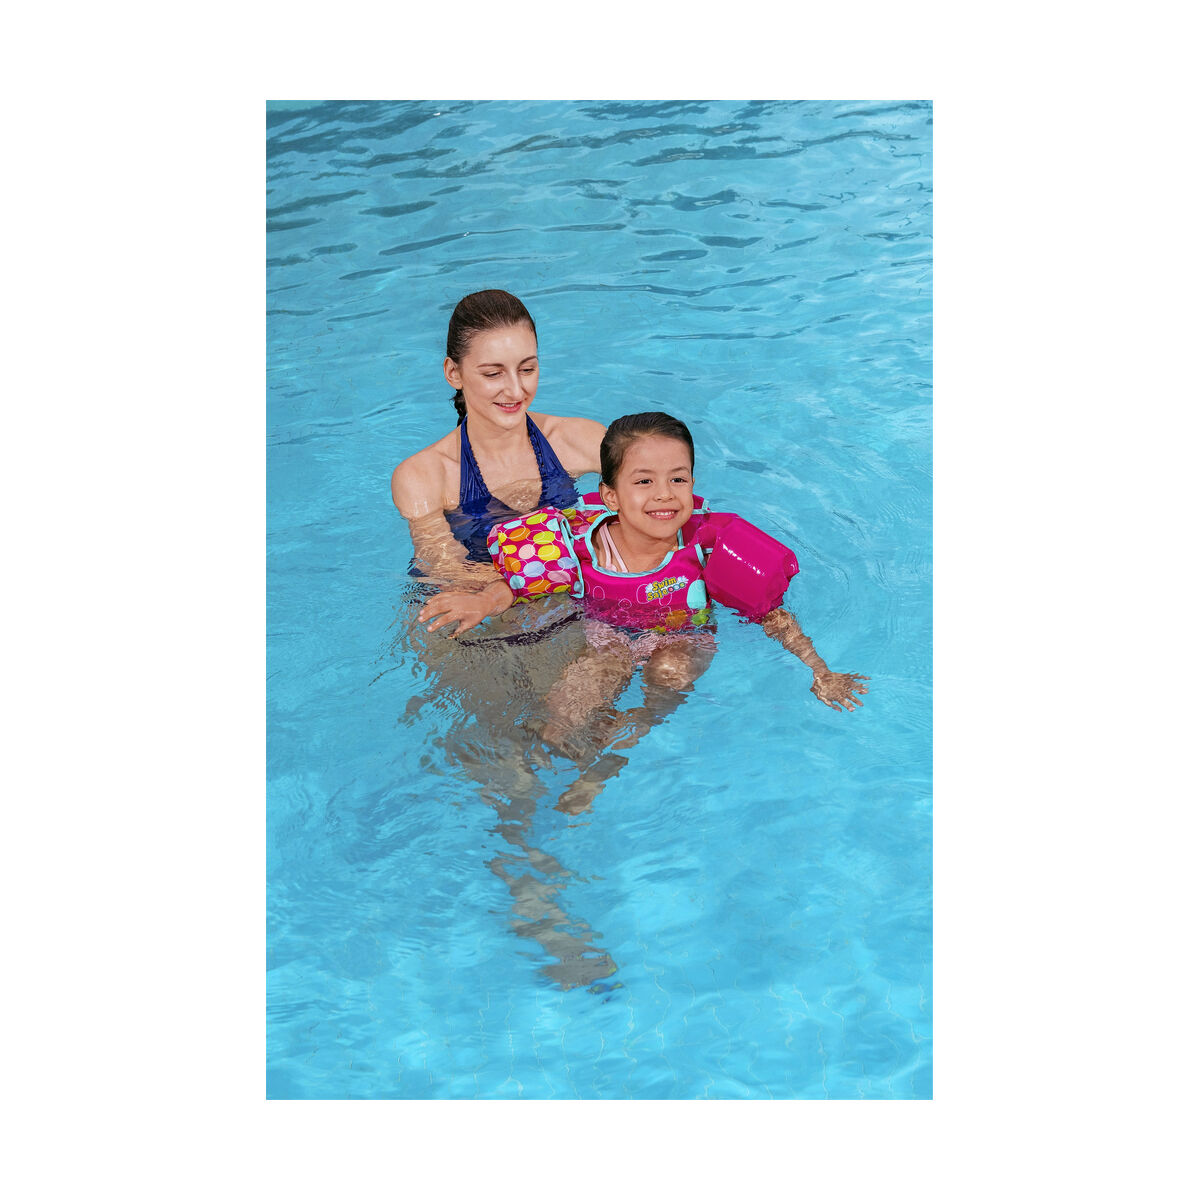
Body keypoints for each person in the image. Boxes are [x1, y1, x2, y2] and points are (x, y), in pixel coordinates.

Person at [419, 412, 870, 755]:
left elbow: (770, 614)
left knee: (668, 673)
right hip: (606, 636)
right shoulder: (580, 544)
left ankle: (638, 724)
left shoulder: (706, 547)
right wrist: (484, 602)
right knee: (563, 715)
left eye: (678, 479)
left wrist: (820, 670)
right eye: (644, 481)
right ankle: (561, 761)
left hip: (684, 637)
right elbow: (524, 582)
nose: (664, 494)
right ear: (611, 496)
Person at [391, 290, 606, 586]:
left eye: (527, 369)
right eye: (493, 374)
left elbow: (651, 504)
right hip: (480, 611)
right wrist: (572, 563)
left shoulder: (581, 439)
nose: (516, 391)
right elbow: (446, 573)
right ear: (453, 373)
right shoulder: (424, 476)